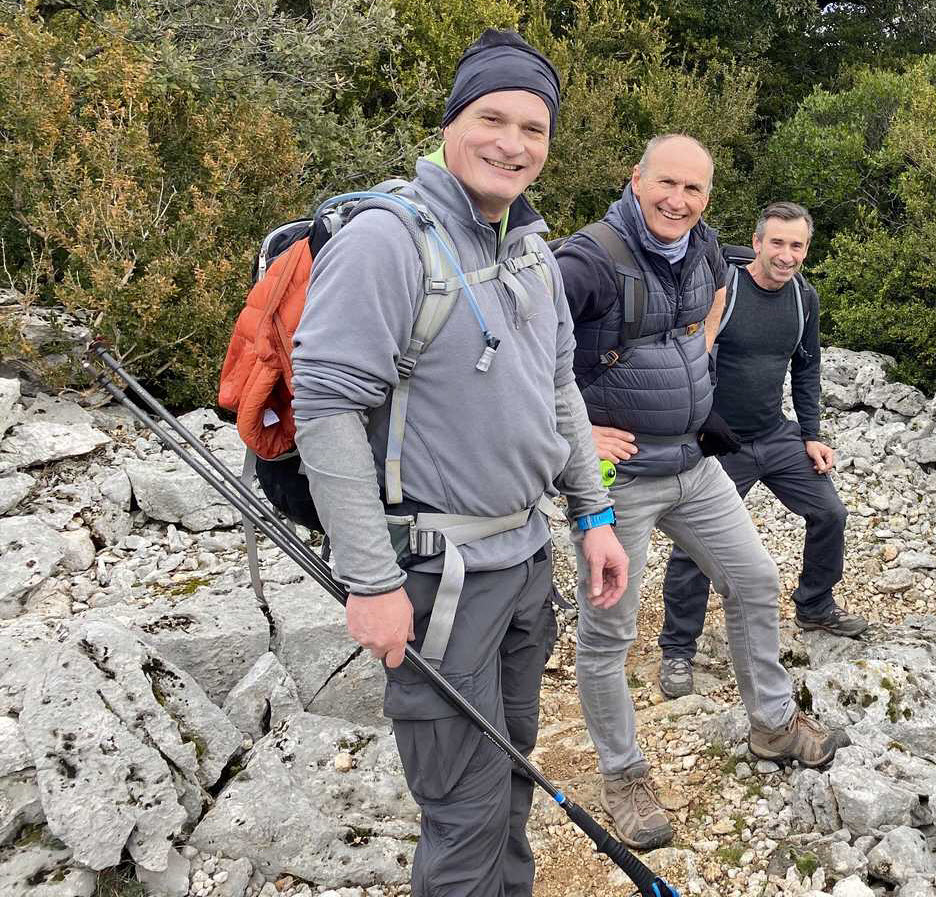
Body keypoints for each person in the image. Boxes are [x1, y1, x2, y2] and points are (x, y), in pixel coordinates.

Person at [291, 30, 628, 896]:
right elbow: (325, 410)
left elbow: (559, 391)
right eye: (492, 117)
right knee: (464, 808)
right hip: (436, 583)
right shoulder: (386, 241)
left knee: (512, 776)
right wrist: (370, 581)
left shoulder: (530, 250)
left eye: (534, 128)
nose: (513, 143)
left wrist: (592, 517)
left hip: (522, 562)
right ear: (450, 122)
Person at [555, 136, 842, 851]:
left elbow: (712, 300)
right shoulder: (587, 259)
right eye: (667, 184)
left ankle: (773, 725)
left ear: (709, 198)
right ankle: (623, 774)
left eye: (694, 189)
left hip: (693, 461)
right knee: (609, 635)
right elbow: (518, 351)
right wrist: (579, 430)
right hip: (618, 479)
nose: (678, 201)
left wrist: (698, 358)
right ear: (636, 179)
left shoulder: (708, 248)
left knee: (753, 578)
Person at [654, 201, 866, 699]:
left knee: (830, 512)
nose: (786, 254)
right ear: (756, 243)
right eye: (777, 242)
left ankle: (815, 604)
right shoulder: (724, 291)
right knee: (695, 548)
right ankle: (678, 649)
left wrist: (811, 433)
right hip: (717, 441)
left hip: (775, 434)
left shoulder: (803, 299)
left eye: (796, 245)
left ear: (806, 250)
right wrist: (693, 426)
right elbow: (687, 357)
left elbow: (807, 368)